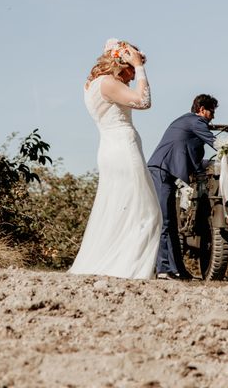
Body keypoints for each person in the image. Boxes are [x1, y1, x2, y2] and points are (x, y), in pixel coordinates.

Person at [69, 38, 161, 279]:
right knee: (147, 212)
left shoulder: (91, 84)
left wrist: (136, 65)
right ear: (121, 62)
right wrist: (140, 68)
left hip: (109, 148)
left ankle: (117, 266)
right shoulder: (108, 83)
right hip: (123, 148)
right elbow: (144, 101)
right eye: (131, 69)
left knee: (119, 210)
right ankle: (130, 270)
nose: (132, 76)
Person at [147, 94, 219, 279]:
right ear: (202, 109)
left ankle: (177, 269)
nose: (213, 116)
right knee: (165, 222)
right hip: (161, 171)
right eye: (212, 111)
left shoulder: (187, 122)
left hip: (165, 172)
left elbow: (193, 157)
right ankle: (163, 269)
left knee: (170, 223)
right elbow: (216, 143)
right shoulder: (196, 121)